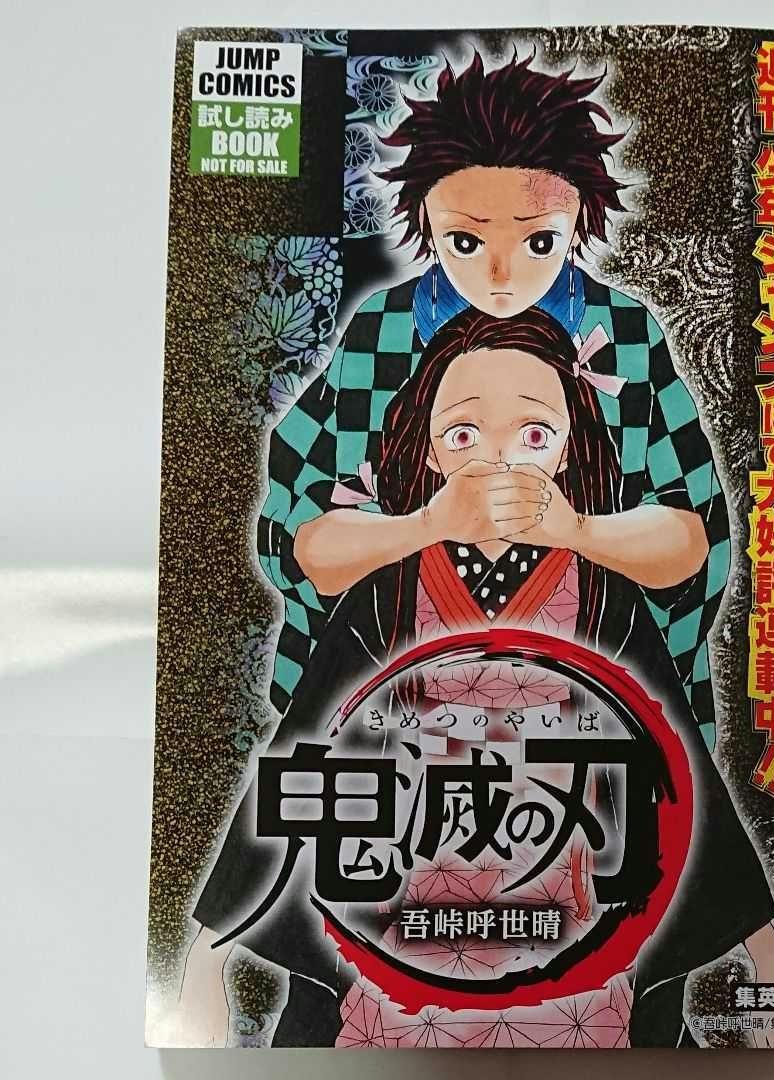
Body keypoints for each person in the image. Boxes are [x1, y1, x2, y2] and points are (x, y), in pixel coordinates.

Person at [177, 308, 774, 1048]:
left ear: (569, 450)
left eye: (534, 435)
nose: (498, 460)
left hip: (567, 895)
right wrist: (206, 960)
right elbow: (307, 751)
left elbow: (677, 769)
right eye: (463, 434)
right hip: (410, 895)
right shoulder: (388, 593)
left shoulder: (601, 591)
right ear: (431, 451)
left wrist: (770, 960)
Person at [259, 51, 732, 761]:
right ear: (426, 218)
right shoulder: (382, 331)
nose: (501, 273)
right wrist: (428, 524)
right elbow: (303, 540)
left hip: (589, 689)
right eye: (466, 240)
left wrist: (574, 529)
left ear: (579, 218)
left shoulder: (626, 336)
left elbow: (694, 542)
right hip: (396, 695)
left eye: (540, 240)